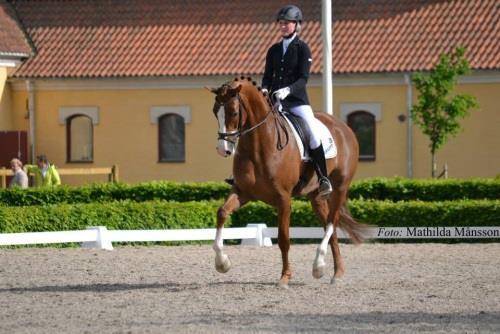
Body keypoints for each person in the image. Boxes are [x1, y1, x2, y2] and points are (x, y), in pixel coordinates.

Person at [261, 4, 332, 198]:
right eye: (281, 23)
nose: (283, 26)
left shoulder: (303, 49)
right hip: (276, 103)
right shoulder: (273, 50)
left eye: (287, 23)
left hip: (297, 103)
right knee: (256, 127)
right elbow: (267, 76)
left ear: (296, 25)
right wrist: (266, 88)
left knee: (312, 134)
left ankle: (323, 178)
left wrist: (288, 90)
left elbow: (303, 79)